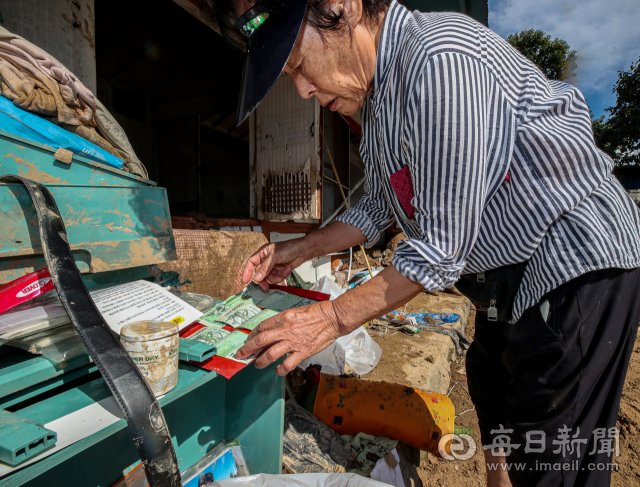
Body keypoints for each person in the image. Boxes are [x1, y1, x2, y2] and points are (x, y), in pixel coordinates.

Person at [209, 0, 640, 485]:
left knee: (553, 447)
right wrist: (297, 250)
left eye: (299, 66)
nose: (303, 89)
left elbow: (439, 249)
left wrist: (328, 319)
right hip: (506, 276)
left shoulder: (439, 60)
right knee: (491, 383)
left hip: (571, 258)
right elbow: (378, 208)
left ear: (342, 8)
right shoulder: (377, 107)